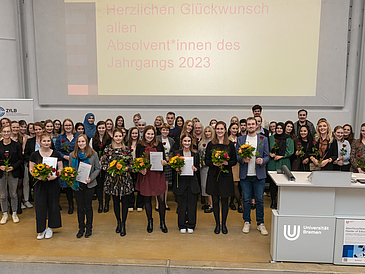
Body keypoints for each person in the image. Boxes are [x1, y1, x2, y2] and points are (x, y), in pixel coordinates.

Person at [236, 117, 270, 235]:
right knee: (245, 200)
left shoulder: (263, 139)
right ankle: (247, 221)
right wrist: (242, 159)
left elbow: (267, 156)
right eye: (248, 124)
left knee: (260, 200)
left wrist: (263, 160)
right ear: (245, 126)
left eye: (252, 124)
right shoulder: (240, 139)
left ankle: (260, 223)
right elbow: (237, 157)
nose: (250, 126)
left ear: (257, 125)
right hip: (245, 175)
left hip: (259, 175)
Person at [205, 121, 237, 234]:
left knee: (224, 201)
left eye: (221, 129)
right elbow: (206, 160)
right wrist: (213, 163)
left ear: (225, 130)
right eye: (218, 129)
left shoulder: (230, 144)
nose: (219, 131)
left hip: (226, 176)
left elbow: (234, 161)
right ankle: (217, 224)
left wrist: (226, 163)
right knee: (215, 200)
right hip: (213, 175)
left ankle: (224, 224)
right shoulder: (210, 144)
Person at [101, 128, 134, 236]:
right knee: (115, 202)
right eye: (116, 136)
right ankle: (118, 222)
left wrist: (125, 168)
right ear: (113, 137)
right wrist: (111, 169)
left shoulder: (127, 149)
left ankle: (124, 223)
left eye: (120, 136)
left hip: (124, 179)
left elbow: (131, 164)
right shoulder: (108, 149)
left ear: (123, 137)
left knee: (124, 202)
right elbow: (103, 164)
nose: (118, 138)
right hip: (112, 179)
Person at [135, 125, 168, 233]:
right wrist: (140, 169)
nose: (150, 136)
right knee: (147, 200)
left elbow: (163, 159)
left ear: (155, 135)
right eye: (148, 134)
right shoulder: (140, 145)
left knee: (161, 200)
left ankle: (162, 222)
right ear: (144, 134)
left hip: (157, 175)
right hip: (146, 176)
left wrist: (164, 162)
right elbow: (137, 160)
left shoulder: (159, 145)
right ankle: (150, 221)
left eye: (152, 134)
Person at [29, 133, 62, 239]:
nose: (46, 143)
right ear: (40, 142)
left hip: (53, 183)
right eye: (44, 141)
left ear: (51, 142)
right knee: (40, 206)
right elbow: (31, 169)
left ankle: (50, 227)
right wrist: (37, 176)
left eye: (48, 141)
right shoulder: (34, 155)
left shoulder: (56, 154)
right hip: (40, 184)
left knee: (53, 205)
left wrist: (55, 176)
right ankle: (41, 229)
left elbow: (60, 169)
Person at [70, 134, 100, 238]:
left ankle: (89, 227)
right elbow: (70, 170)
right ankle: (81, 227)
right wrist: (72, 177)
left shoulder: (93, 154)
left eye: (83, 141)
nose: (81, 143)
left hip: (89, 184)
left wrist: (90, 178)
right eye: (79, 142)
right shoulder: (72, 155)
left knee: (88, 207)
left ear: (86, 142)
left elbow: (97, 168)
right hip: (77, 185)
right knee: (80, 207)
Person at [172, 134, 200, 234]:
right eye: (185, 141)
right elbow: (173, 168)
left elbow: (198, 168)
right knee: (182, 205)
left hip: (192, 182)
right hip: (181, 182)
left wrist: (196, 169)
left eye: (188, 141)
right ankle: (182, 224)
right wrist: (176, 169)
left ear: (191, 142)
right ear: (182, 142)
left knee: (192, 205)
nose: (187, 143)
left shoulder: (195, 154)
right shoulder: (177, 153)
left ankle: (191, 224)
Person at [55, 119, 80, 214]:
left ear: (72, 126)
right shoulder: (60, 137)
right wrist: (63, 156)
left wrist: (74, 155)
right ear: (63, 127)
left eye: (69, 125)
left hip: (76, 162)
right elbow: (56, 150)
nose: (68, 127)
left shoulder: (77, 136)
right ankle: (70, 204)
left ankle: (78, 203)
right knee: (67, 185)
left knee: (76, 182)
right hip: (64, 162)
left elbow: (82, 147)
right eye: (66, 125)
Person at [267, 122, 294, 209]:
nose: (279, 130)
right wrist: (270, 154)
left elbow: (291, 151)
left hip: (284, 162)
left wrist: (281, 156)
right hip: (272, 163)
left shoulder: (289, 139)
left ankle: (281, 201)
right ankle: (273, 201)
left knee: (283, 183)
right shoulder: (270, 138)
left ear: (283, 129)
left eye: (281, 128)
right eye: (277, 128)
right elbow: (266, 148)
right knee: (272, 183)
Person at [0, 125, 23, 224]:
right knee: (3, 195)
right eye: (4, 131)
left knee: (13, 194)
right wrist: (0, 166)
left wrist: (13, 167)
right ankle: (4, 213)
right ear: (1, 132)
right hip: (1, 173)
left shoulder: (16, 145)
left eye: (8, 131)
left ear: (11, 132)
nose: (6, 133)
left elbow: (20, 159)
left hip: (13, 172)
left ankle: (14, 213)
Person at [91, 121, 111, 213]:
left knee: (107, 185)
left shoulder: (110, 139)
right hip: (97, 166)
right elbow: (91, 152)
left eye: (103, 128)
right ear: (97, 129)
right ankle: (100, 204)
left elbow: (111, 152)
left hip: (107, 166)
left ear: (105, 128)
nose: (101, 130)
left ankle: (106, 204)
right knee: (99, 186)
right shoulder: (93, 139)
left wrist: (104, 158)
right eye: (100, 128)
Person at [156, 123, 174, 211]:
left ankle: (164, 203)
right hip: (158, 163)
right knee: (157, 184)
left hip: (167, 164)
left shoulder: (171, 140)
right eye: (163, 129)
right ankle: (157, 204)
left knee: (165, 185)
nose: (165, 131)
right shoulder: (156, 139)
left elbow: (173, 152)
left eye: (167, 130)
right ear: (160, 130)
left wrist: (168, 158)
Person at [127, 127, 144, 212]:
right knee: (130, 186)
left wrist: (137, 167)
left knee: (140, 186)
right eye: (133, 133)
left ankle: (139, 204)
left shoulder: (141, 144)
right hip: (129, 168)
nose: (134, 135)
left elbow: (142, 157)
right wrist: (131, 167)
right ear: (130, 134)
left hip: (139, 168)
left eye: (136, 133)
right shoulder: (126, 144)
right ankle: (130, 204)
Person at [199, 126, 214, 213]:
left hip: (209, 166)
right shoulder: (202, 142)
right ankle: (208, 203)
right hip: (202, 168)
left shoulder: (213, 143)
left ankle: (212, 205)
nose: (207, 133)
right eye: (206, 131)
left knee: (209, 185)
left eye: (209, 131)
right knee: (204, 185)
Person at [228, 122, 242, 212]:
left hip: (238, 164)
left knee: (236, 184)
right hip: (230, 163)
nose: (235, 130)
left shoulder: (240, 139)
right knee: (232, 184)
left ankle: (235, 202)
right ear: (230, 129)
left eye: (236, 129)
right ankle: (237, 202)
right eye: (233, 128)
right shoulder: (227, 139)